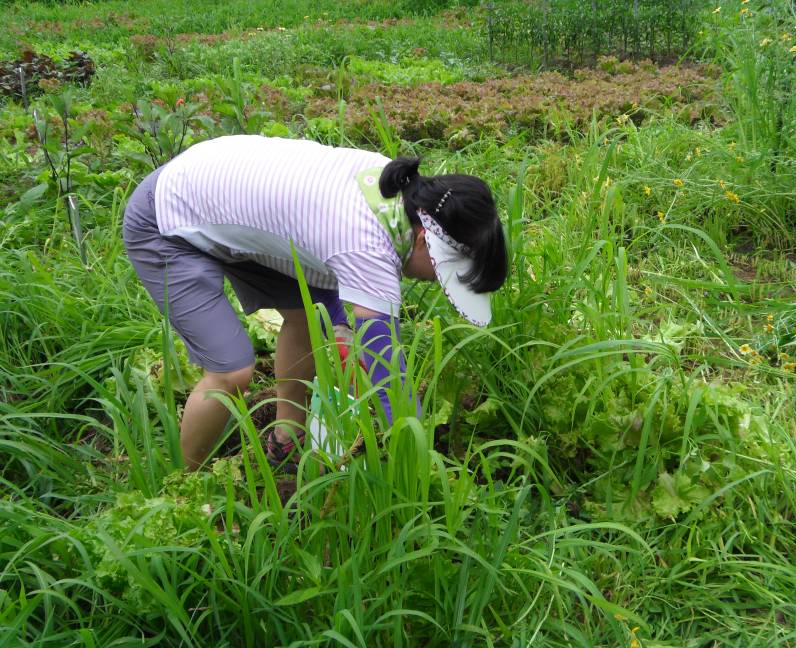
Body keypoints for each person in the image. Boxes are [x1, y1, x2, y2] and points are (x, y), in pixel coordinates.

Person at [122, 135, 508, 470]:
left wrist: (344, 335)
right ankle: (182, 486)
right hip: (167, 218)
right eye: (441, 273)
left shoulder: (392, 186)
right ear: (424, 239)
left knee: (313, 318)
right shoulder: (367, 242)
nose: (435, 282)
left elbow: (326, 276)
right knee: (232, 371)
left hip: (223, 197)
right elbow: (387, 368)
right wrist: (419, 452)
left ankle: (286, 436)